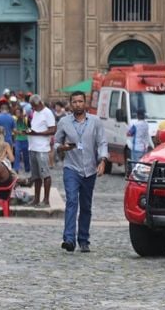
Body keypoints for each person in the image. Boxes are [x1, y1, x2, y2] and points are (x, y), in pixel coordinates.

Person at [54, 90, 108, 253]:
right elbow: (56, 143)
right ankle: (69, 239)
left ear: (85, 103)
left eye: (80, 101)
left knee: (86, 205)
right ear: (70, 104)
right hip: (71, 167)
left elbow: (102, 142)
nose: (77, 104)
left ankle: (83, 239)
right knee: (71, 201)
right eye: (74, 102)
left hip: (89, 169)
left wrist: (103, 160)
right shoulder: (64, 122)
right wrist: (62, 148)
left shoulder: (95, 121)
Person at [28, 94, 57, 206]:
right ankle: (36, 199)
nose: (33, 108)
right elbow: (36, 127)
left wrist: (38, 133)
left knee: (45, 174)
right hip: (33, 146)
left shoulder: (47, 113)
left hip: (42, 148)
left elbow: (53, 130)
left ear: (39, 103)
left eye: (34, 106)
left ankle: (46, 200)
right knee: (36, 176)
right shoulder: (35, 112)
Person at [13, 106, 30, 174]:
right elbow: (14, 129)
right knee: (17, 154)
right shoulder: (14, 119)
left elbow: (29, 128)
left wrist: (26, 131)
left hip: (25, 139)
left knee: (26, 155)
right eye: (16, 113)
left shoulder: (25, 119)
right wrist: (19, 132)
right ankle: (16, 168)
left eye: (19, 112)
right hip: (18, 139)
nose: (18, 114)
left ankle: (27, 168)